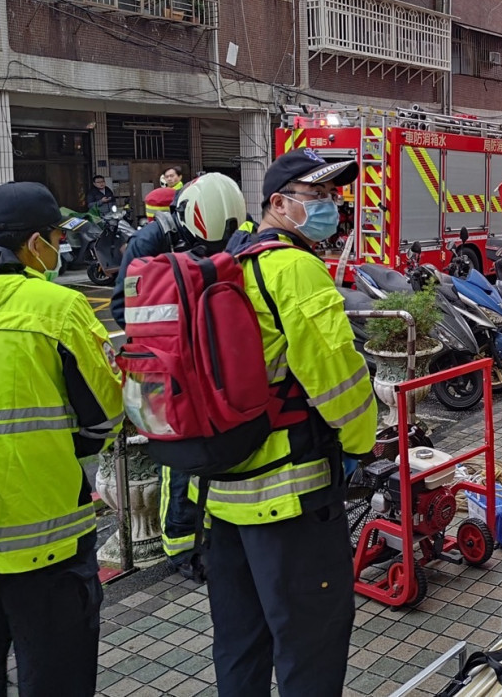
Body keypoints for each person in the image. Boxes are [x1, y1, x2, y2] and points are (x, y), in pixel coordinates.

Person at [197, 148, 376, 695]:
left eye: (333, 197)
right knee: (309, 645)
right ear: (279, 203)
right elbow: (336, 376)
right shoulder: (293, 266)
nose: (332, 207)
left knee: (239, 640)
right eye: (318, 197)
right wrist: (361, 442)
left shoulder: (231, 262)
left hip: (223, 491)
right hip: (290, 496)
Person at [0, 182, 123, 696]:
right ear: (35, 242)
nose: (59, 246)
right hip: (46, 541)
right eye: (55, 236)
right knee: (56, 674)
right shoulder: (56, 308)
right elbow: (105, 415)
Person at [112, 174, 248, 576]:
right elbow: (125, 309)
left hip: (208, 358)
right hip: (164, 363)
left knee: (213, 451)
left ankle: (208, 534)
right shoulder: (148, 244)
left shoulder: (230, 229)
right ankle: (181, 546)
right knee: (180, 459)